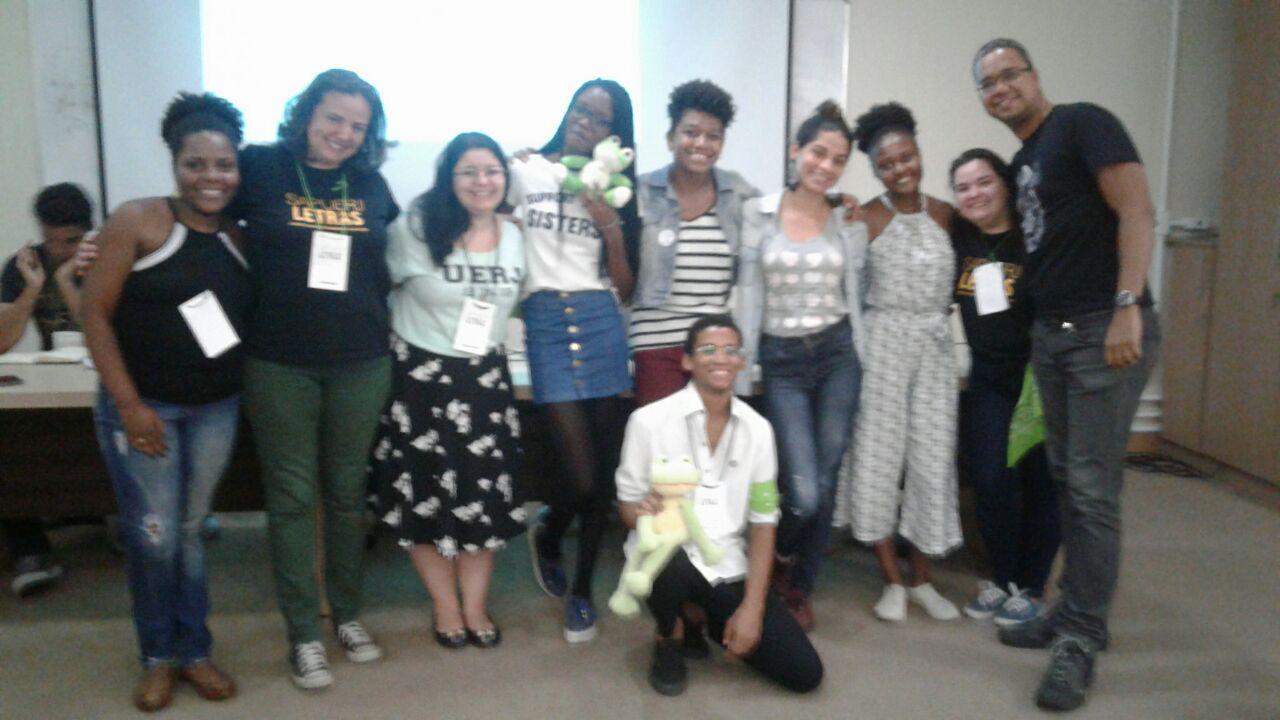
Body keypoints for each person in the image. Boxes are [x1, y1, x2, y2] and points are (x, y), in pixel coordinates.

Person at [973, 38, 1160, 712]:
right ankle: (1073, 610)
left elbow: (1136, 210)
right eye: (988, 83)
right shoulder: (1025, 159)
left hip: (1102, 329)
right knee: (1067, 482)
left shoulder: (1083, 123)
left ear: (1034, 75)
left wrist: (1127, 304)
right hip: (1053, 337)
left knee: (1091, 490)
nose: (1001, 88)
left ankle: (1081, 635)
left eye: (1010, 74)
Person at [229, 69, 398, 689]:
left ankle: (347, 616)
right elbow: (202, 215)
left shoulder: (371, 184)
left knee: (349, 496)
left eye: (358, 126)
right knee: (293, 499)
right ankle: (304, 633)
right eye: (333, 119)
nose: (344, 134)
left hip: (361, 360)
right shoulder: (260, 167)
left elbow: (393, 260)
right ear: (305, 115)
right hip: (279, 361)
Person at [80, 92, 248, 712]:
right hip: (145, 407)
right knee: (153, 537)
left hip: (215, 408)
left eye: (224, 165)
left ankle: (194, 651)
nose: (211, 177)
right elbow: (95, 315)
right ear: (175, 164)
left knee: (190, 533)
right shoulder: (138, 221)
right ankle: (157, 657)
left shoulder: (240, 234)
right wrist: (129, 406)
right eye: (194, 164)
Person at [370, 132, 526, 650]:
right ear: (448, 177)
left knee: (483, 497)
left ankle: (475, 605)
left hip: (485, 379)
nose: (482, 181)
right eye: (469, 172)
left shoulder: (514, 235)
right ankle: (445, 605)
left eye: (492, 171)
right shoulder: (414, 227)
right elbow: (379, 289)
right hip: (422, 378)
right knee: (424, 496)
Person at [615, 314, 823, 696]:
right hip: (664, 558)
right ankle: (670, 634)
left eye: (730, 350)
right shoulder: (648, 422)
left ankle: (702, 617)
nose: (720, 359)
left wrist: (752, 610)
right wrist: (642, 514)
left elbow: (763, 523)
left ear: (741, 361)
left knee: (804, 673)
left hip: (725, 562)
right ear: (687, 360)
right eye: (708, 350)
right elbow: (626, 508)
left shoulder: (758, 430)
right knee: (666, 555)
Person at [515, 79, 639, 643]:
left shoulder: (616, 190)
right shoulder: (525, 170)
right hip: (545, 322)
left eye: (599, 118)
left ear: (615, 135)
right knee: (579, 474)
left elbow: (626, 288)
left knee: (601, 475)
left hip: (601, 321)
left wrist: (609, 224)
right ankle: (548, 531)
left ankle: (583, 590)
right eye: (579, 109)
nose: (583, 121)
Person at [736, 101, 866, 630]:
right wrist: (741, 365)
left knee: (826, 481)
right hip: (783, 361)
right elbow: (747, 290)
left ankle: (798, 586)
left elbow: (857, 292)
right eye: (818, 153)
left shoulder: (847, 220)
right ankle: (780, 556)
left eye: (838, 160)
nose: (826, 166)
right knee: (804, 490)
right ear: (795, 151)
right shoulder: (757, 213)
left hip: (838, 356)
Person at [844, 102, 962, 624]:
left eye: (906, 157)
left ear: (919, 153)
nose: (899, 170)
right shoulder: (866, 218)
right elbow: (852, 292)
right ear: (875, 169)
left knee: (932, 462)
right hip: (884, 346)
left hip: (934, 349)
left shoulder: (947, 215)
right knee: (878, 459)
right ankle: (892, 580)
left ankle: (923, 579)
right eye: (886, 164)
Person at [948, 148, 1059, 625]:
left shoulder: (1034, 238)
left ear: (1006, 184)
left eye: (984, 182)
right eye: (963, 187)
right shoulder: (960, 238)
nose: (974, 194)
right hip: (988, 379)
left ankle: (1031, 586)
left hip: (1038, 379)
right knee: (991, 481)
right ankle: (1003, 578)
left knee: (1038, 483)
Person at [630, 80, 759, 406]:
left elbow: (785, 214)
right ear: (670, 137)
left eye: (713, 136)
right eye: (691, 132)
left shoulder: (739, 193)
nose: (701, 143)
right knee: (663, 437)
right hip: (655, 344)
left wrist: (835, 203)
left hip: (714, 347)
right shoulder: (641, 192)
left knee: (711, 436)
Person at [0, 183, 94, 596]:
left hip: (105, 377)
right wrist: (32, 290)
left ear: (87, 232)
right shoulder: (25, 264)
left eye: (70, 241)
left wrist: (67, 281)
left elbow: (104, 337)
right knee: (14, 444)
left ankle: (122, 525)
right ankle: (31, 550)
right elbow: (2, 343)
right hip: (57, 376)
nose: (59, 251)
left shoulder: (104, 256)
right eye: (51, 240)